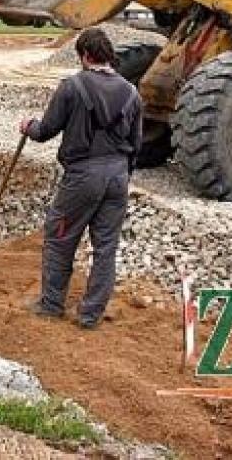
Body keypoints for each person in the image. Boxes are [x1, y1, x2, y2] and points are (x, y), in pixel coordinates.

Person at [20, 27, 142, 329]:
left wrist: (28, 126)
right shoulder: (132, 92)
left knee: (60, 237)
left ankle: (51, 305)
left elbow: (45, 130)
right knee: (106, 247)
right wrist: (122, 177)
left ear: (85, 55)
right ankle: (90, 315)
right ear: (108, 56)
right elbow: (137, 144)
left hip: (83, 176)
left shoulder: (71, 87)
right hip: (117, 176)